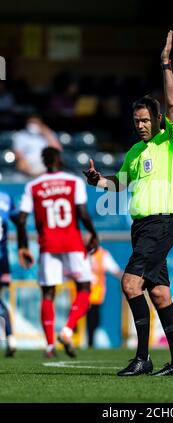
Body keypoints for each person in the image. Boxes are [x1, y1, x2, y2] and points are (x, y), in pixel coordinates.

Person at [83, 31, 173, 376]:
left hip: (160, 224)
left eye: (145, 119)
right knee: (159, 295)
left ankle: (143, 358)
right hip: (142, 227)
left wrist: (165, 63)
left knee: (129, 284)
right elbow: (120, 184)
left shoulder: (169, 141)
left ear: (157, 120)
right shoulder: (134, 152)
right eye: (137, 121)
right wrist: (98, 181)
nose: (141, 125)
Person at [17, 147, 98, 358]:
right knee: (85, 288)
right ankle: (67, 330)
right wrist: (92, 233)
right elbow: (82, 212)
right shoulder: (74, 182)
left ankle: (50, 346)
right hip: (72, 243)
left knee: (48, 294)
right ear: (59, 159)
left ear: (44, 162)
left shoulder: (33, 186)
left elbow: (22, 220)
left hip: (48, 245)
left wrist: (23, 246)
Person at [87, 245, 122, 348]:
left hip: (95, 294)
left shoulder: (102, 254)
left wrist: (125, 279)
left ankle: (90, 343)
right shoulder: (81, 252)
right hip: (80, 292)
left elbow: (115, 270)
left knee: (93, 318)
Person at [0, 191, 17, 357]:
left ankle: (10, 337)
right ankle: (10, 337)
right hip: (3, 260)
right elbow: (20, 221)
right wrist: (23, 246)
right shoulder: (6, 197)